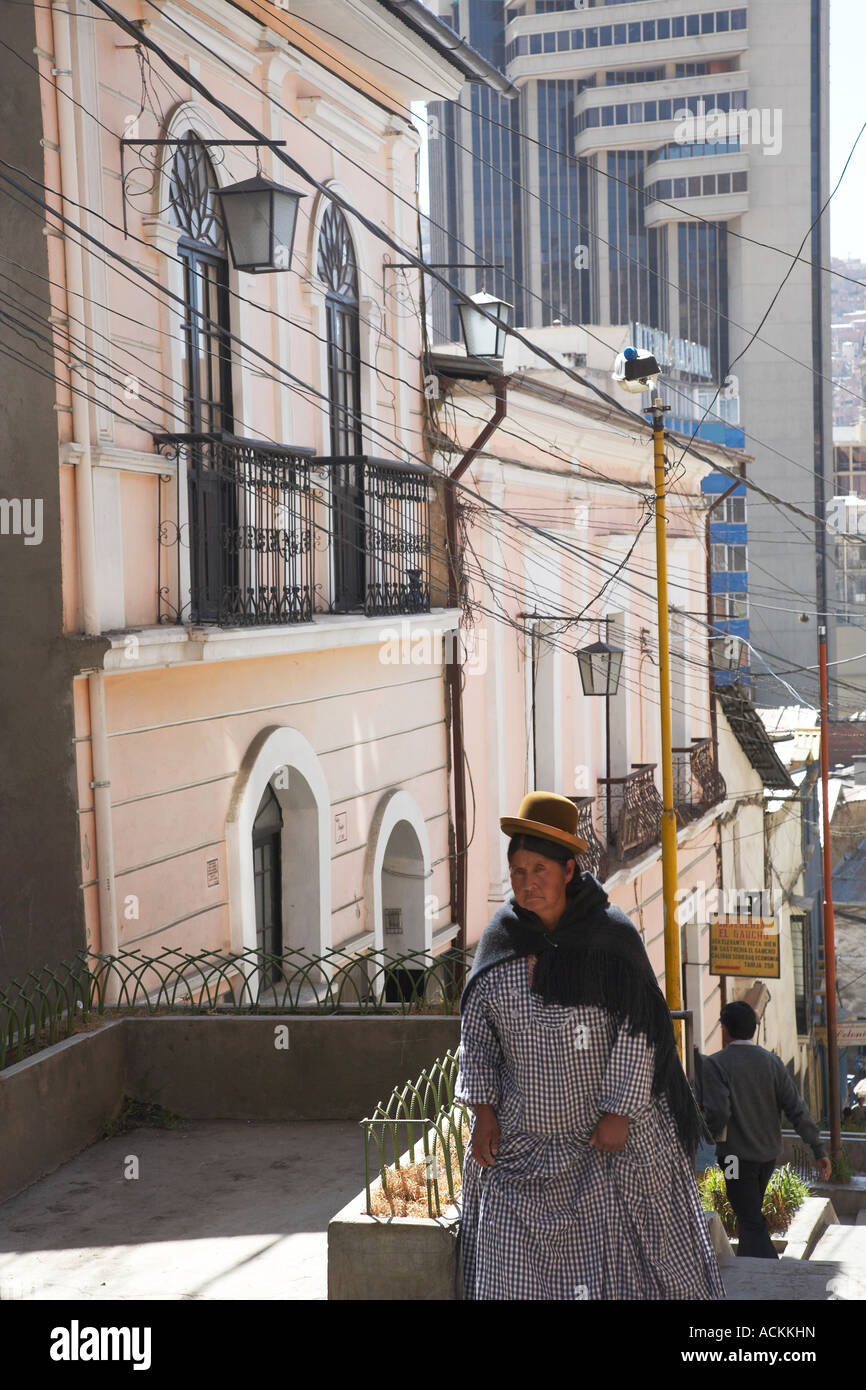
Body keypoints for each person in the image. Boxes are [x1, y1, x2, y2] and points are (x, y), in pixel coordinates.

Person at [455, 791, 724, 1301]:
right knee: (512, 1280)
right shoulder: (501, 940)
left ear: (570, 869)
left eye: (540, 869)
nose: (527, 883)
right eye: (517, 872)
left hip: (610, 1147)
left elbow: (642, 1028)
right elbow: (477, 1033)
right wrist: (483, 1110)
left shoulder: (611, 938)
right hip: (523, 1150)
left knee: (635, 1277)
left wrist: (619, 1111)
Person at [701, 1000, 832, 1260]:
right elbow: (797, 1108)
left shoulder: (714, 1064)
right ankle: (750, 1269)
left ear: (724, 1029)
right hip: (767, 1157)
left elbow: (716, 1112)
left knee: (748, 1217)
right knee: (748, 1213)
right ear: (753, 1028)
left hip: (732, 1158)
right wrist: (818, 1148)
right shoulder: (772, 1063)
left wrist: (706, 1136)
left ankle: (769, 1273)